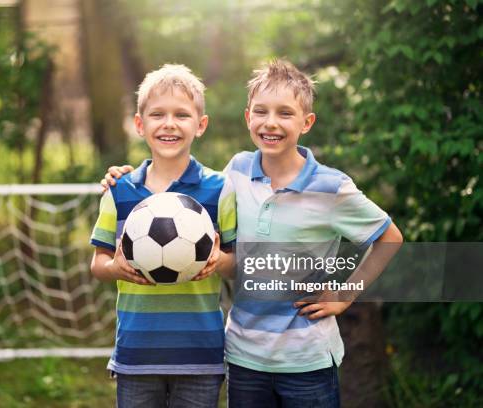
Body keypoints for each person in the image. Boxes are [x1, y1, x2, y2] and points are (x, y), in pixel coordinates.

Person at [102, 59, 403, 407]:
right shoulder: (236, 172)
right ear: (248, 118)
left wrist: (344, 293)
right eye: (261, 111)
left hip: (307, 359)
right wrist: (126, 178)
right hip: (244, 356)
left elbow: (389, 237)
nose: (270, 122)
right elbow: (182, 197)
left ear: (307, 122)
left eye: (285, 113)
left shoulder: (331, 187)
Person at [89, 64, 237, 408]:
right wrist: (115, 268)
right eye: (158, 114)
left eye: (182, 115)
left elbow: (236, 262)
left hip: (200, 354)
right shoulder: (119, 190)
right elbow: (97, 263)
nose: (169, 123)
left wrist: (218, 261)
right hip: (136, 355)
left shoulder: (219, 189)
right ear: (140, 125)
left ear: (200, 125)